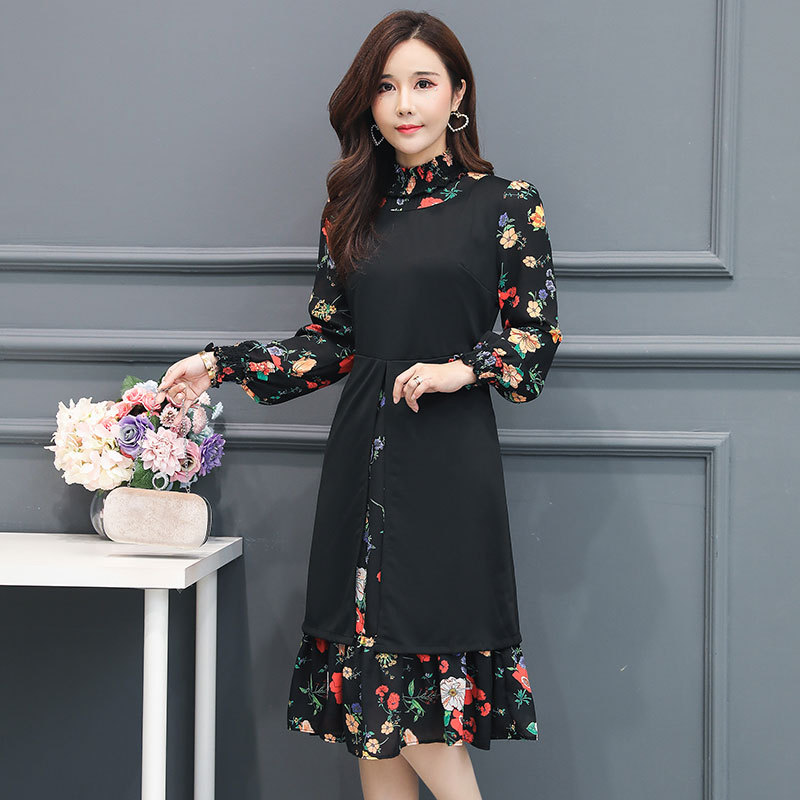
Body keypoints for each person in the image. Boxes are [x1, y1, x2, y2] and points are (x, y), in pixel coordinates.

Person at [155, 10, 562, 800]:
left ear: (458, 95)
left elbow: (535, 338)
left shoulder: (507, 204)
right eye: (386, 86)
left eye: (423, 83)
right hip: (359, 468)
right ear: (369, 103)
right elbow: (329, 345)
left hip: (446, 470)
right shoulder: (351, 211)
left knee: (419, 718)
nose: (405, 103)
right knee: (370, 719)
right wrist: (218, 364)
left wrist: (460, 368)